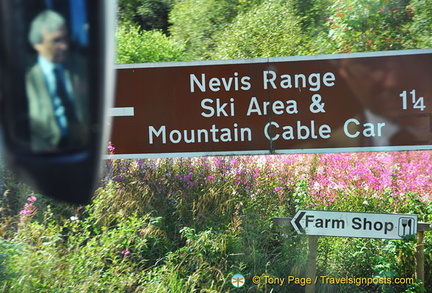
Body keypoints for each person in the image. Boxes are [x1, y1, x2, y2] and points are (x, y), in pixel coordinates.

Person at [26, 9, 88, 153]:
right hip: (43, 153)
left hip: (79, 147)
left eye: (65, 39)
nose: (64, 46)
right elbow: (20, 126)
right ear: (37, 44)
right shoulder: (25, 81)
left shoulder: (80, 70)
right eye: (56, 41)